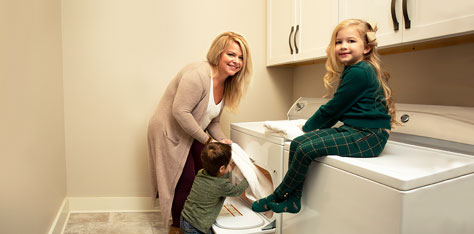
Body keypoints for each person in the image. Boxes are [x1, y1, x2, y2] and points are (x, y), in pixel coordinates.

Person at [252, 19, 397, 214]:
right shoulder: (354, 70)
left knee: (306, 149)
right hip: (355, 130)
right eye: (339, 42)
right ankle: (294, 200)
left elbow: (334, 108)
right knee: (298, 144)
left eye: (351, 41)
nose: (343, 46)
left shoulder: (361, 72)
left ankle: (278, 195)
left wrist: (306, 127)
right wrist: (308, 130)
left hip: (370, 136)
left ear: (366, 48)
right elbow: (337, 109)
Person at [147, 32, 253, 233]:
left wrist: (221, 140)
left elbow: (213, 119)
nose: (236, 61)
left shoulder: (225, 83)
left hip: (190, 130)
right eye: (231, 55)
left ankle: (195, 216)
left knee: (202, 172)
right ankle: (178, 227)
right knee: (184, 179)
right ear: (219, 53)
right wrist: (208, 139)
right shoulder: (198, 75)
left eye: (241, 58)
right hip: (168, 131)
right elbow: (180, 111)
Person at [180, 142, 249, 234]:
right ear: (221, 168)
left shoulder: (202, 172)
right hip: (196, 227)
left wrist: (229, 168)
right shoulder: (221, 186)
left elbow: (219, 176)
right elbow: (237, 191)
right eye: (229, 164)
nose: (230, 166)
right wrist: (248, 177)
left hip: (185, 218)